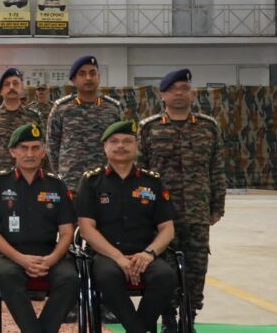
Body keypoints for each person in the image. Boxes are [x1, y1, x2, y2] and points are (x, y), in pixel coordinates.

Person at [139, 68, 225, 331]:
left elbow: (216, 168)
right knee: (164, 271)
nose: (179, 93)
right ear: (162, 95)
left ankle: (190, 318)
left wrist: (217, 206)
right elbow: (140, 175)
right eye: (173, 89)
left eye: (184, 88)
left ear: (192, 93)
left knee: (196, 270)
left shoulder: (208, 126)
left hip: (197, 213)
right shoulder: (149, 128)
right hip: (161, 217)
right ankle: (168, 319)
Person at [78, 120, 177, 333]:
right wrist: (118, 258)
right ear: (105, 147)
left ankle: (135, 328)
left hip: (145, 254)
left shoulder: (152, 182)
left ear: (136, 146)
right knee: (106, 277)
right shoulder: (91, 182)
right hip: (107, 256)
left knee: (166, 276)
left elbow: (167, 228)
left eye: (127, 141)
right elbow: (86, 229)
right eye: (114, 141)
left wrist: (149, 254)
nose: (120, 146)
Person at [0, 123, 78, 333]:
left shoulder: (56, 185)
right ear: (12, 151)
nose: (29, 153)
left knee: (69, 278)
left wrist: (52, 258)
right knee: (7, 276)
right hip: (9, 254)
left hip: (49, 253)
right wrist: (20, 258)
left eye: (35, 148)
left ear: (43, 152)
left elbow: (67, 231)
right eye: (23, 148)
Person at [47, 55, 124, 191]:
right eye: (82, 74)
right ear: (73, 80)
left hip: (105, 181)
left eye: (92, 73)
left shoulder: (112, 108)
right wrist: (60, 174)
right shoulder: (61, 108)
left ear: (98, 77)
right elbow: (52, 146)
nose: (88, 78)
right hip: (71, 183)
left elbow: (121, 143)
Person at [0, 67, 44, 172]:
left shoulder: (34, 117)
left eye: (15, 83)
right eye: (7, 84)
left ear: (22, 89)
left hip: (28, 175)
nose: (11, 87)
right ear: (1, 91)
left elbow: (42, 147)